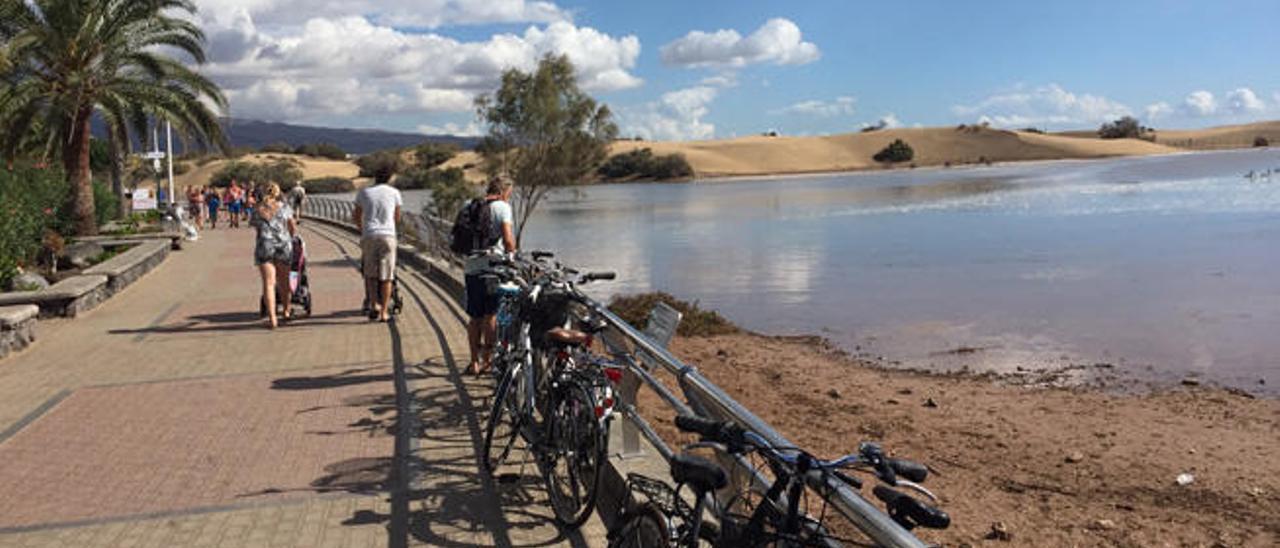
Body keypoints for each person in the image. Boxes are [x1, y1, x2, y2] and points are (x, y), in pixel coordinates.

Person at [464, 175, 516, 375]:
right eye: (509, 194)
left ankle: (473, 362)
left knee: (474, 317)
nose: (509, 198)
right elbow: (508, 240)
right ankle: (487, 360)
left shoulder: (471, 205)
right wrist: (512, 256)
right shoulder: (503, 208)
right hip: (493, 268)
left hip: (471, 267)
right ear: (504, 191)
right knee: (491, 315)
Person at [352, 166, 402, 322]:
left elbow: (356, 216)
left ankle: (374, 304)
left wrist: (363, 229)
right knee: (387, 276)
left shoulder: (364, 192)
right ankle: (384, 312)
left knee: (371, 275)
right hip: (388, 235)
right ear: (389, 178)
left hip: (369, 236)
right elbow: (397, 217)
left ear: (375, 177)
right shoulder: (395, 193)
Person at [250, 183, 297, 329]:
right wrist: (290, 236)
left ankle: (272, 319)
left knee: (269, 283)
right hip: (283, 245)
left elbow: (256, 227)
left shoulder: (257, 209)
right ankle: (287, 310)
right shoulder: (283, 206)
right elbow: (292, 226)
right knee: (284, 281)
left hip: (265, 245)